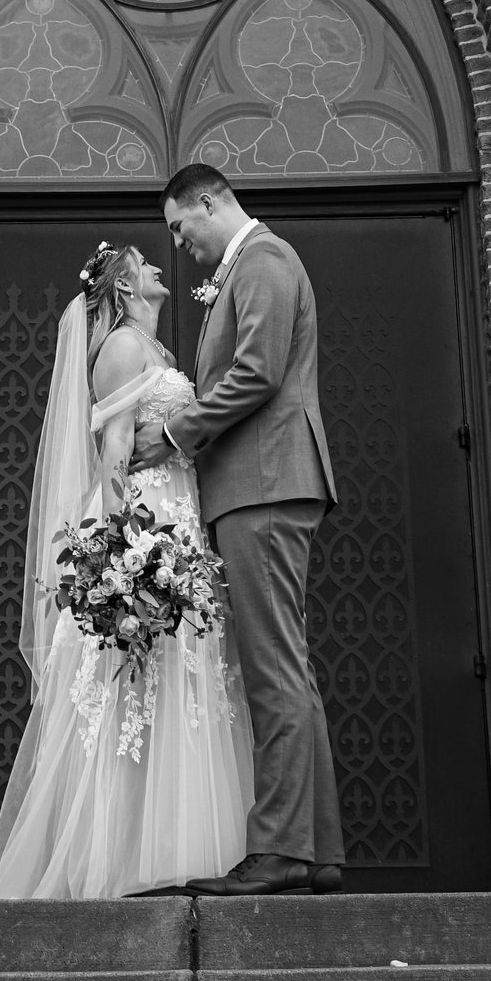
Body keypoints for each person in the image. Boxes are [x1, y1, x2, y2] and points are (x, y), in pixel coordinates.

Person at [0, 238, 254, 900]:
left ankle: (175, 850)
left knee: (178, 691)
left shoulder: (153, 349)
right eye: (146, 265)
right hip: (151, 528)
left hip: (179, 526)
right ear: (126, 290)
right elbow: (114, 455)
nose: (161, 268)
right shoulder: (124, 348)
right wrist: (128, 555)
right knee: (139, 691)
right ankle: (122, 862)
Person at [160, 163, 345, 895]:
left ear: (211, 203)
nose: (179, 244)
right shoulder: (247, 267)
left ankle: (278, 852)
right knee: (284, 667)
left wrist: (177, 433)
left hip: (266, 483)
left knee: (272, 669)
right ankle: (316, 850)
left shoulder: (264, 261)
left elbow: (257, 373)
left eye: (181, 226)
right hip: (258, 485)